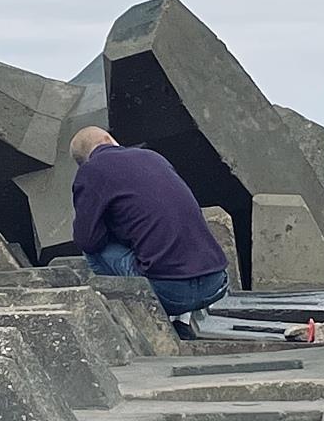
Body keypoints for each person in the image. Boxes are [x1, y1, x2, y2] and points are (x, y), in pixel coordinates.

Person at [71, 127, 229, 336]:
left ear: (83, 160)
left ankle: (138, 323)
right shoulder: (153, 157)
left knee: (92, 250)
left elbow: (87, 240)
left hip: (170, 293)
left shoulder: (91, 171)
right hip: (216, 283)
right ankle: (182, 322)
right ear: (109, 139)